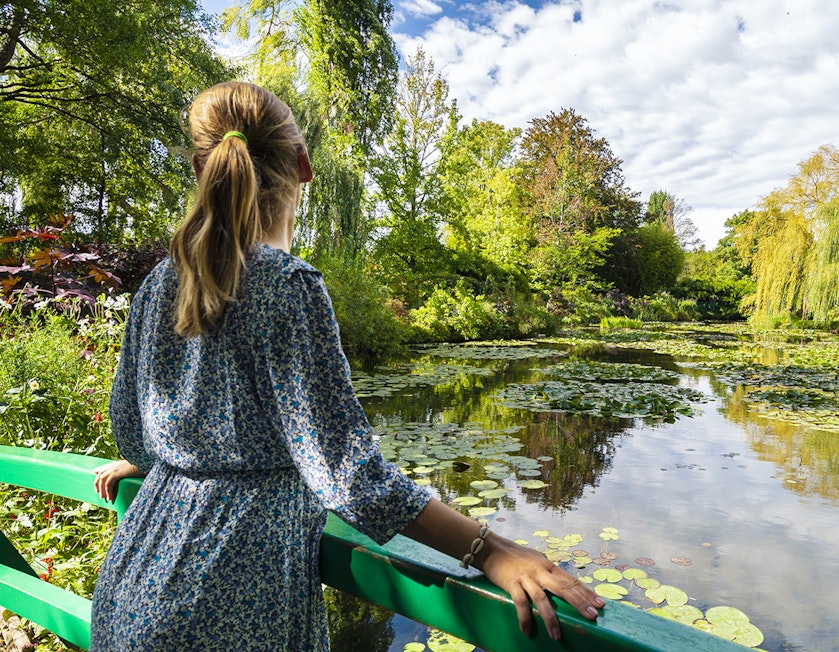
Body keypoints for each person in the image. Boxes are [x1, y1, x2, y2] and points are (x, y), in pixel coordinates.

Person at [89, 80, 604, 651]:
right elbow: (347, 476)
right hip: (228, 597)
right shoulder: (289, 287)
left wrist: (178, 462)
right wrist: (493, 551)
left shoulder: (159, 284)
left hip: (131, 586)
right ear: (304, 167)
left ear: (198, 167)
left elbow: (132, 431)